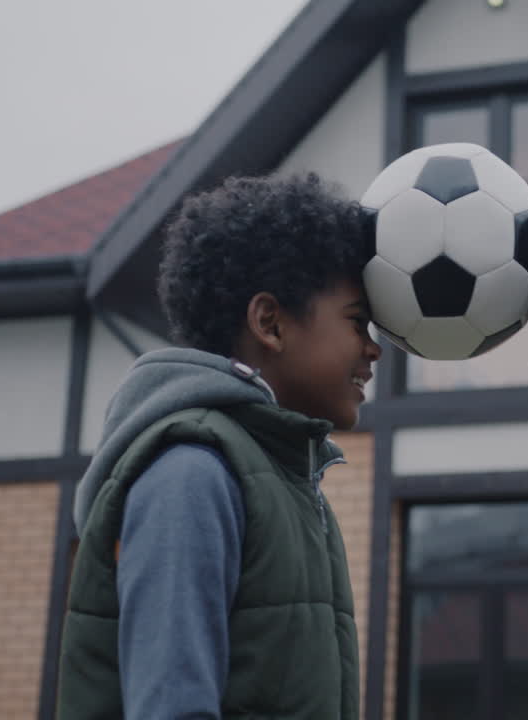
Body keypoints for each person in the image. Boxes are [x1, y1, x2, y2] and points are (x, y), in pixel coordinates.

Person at [57, 173, 380, 719]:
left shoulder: (292, 483)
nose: (373, 349)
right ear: (270, 323)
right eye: (356, 322)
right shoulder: (192, 473)